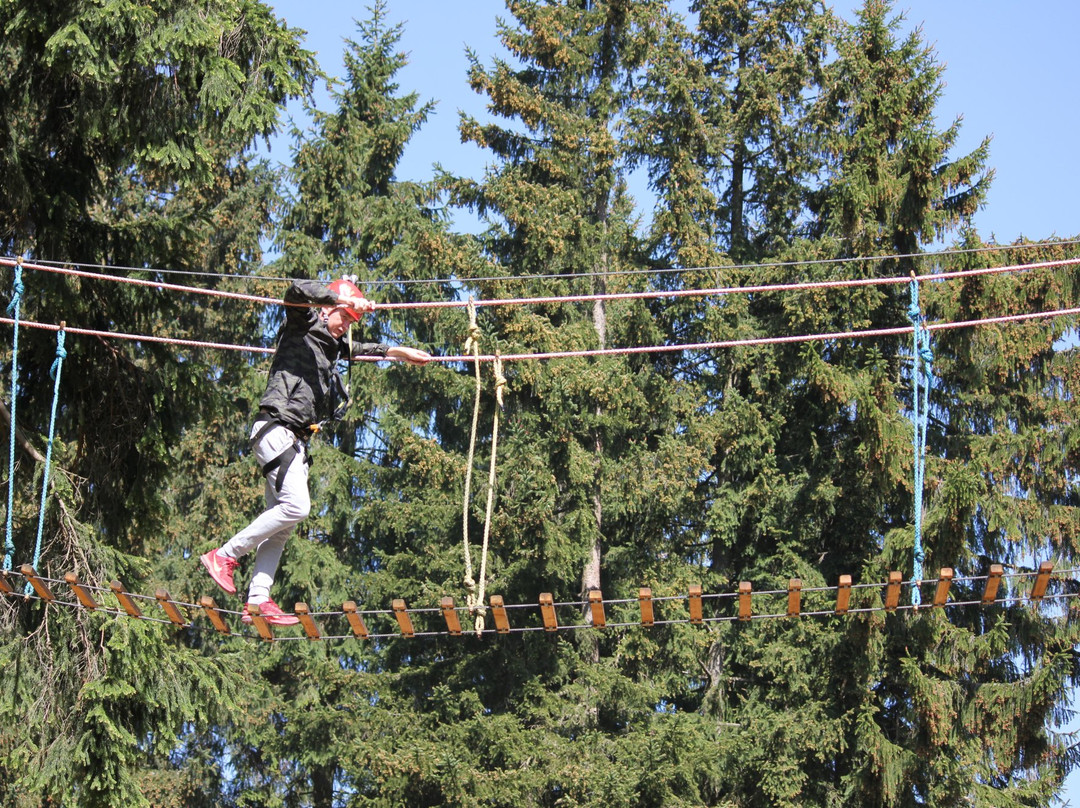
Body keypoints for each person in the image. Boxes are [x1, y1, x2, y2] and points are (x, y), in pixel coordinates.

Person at [200, 277, 431, 625]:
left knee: (281, 527)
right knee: (298, 506)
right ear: (327, 310)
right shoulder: (302, 324)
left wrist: (401, 353)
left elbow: (364, 350)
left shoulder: (333, 345)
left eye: (353, 323)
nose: (348, 327)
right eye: (346, 318)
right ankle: (224, 555)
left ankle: (258, 600)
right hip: (276, 428)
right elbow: (295, 291)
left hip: (292, 441)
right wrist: (339, 295)